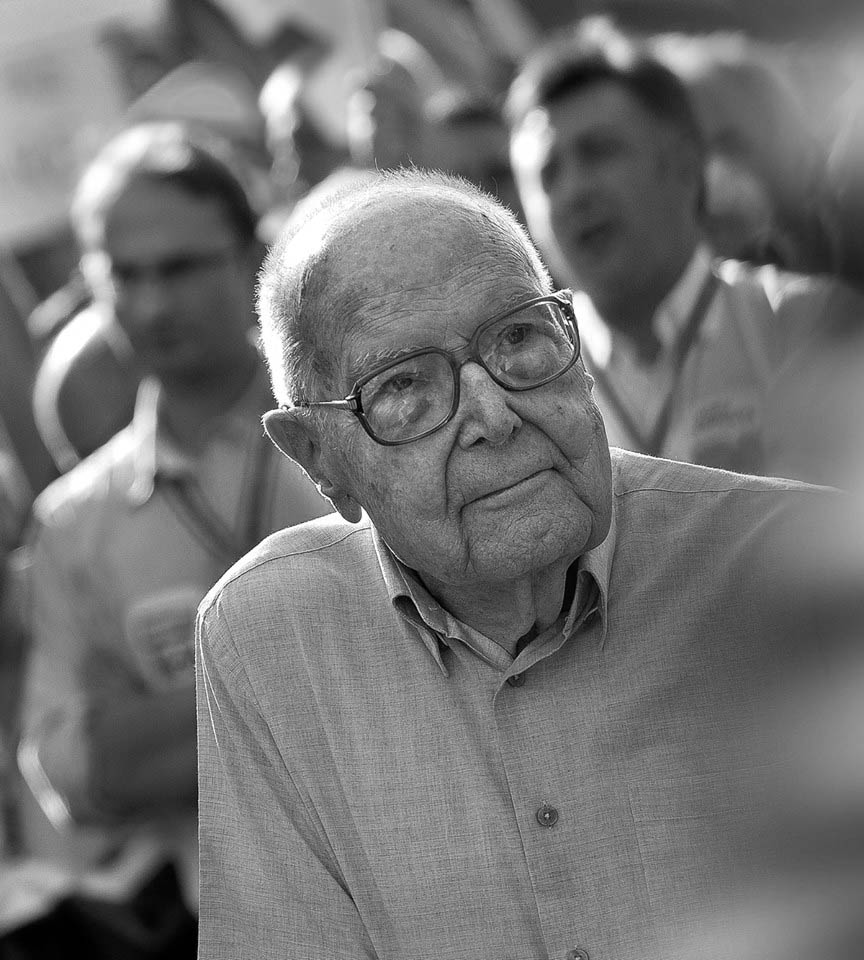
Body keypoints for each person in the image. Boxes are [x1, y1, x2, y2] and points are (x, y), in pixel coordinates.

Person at [195, 168, 820, 960]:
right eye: (405, 386)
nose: (494, 415)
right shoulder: (269, 637)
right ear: (319, 458)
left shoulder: (797, 564)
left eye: (519, 338)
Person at [15, 123, 329, 923]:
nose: (153, 304)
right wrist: (323, 675)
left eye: (181, 267)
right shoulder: (76, 524)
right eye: (125, 274)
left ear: (254, 255)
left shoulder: (355, 428)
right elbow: (71, 773)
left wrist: (157, 726)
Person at [506, 21, 798, 472]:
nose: (574, 192)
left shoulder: (798, 322)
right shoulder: (521, 389)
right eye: (549, 174)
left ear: (685, 163)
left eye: (600, 151)